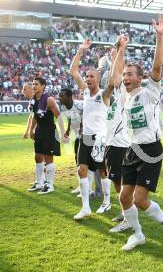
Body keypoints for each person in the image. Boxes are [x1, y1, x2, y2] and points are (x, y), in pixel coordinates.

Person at [112, 15, 163, 251]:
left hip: (151, 149)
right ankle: (138, 234)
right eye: (125, 75)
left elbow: (157, 66)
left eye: (130, 75)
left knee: (140, 199)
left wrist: (160, 35)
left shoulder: (150, 91)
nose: (125, 78)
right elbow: (115, 74)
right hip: (133, 149)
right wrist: (121, 48)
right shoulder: (124, 94)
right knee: (124, 197)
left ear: (140, 78)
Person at [70, 39, 112, 220]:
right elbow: (73, 71)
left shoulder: (104, 94)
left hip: (100, 138)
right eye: (86, 76)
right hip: (85, 137)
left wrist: (118, 53)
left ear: (98, 79)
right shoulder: (86, 92)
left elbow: (114, 80)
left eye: (91, 76)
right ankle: (85, 207)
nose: (87, 79)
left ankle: (107, 201)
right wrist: (81, 50)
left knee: (102, 171)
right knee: (82, 170)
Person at [101, 40, 132, 232]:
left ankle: (128, 218)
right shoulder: (106, 102)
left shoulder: (122, 100)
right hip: (110, 146)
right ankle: (125, 213)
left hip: (122, 147)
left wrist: (120, 52)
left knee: (123, 185)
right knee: (116, 182)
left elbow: (115, 77)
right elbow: (110, 84)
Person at [28, 77, 66, 194]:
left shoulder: (49, 99)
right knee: (38, 157)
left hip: (49, 131)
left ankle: (49, 185)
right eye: (33, 84)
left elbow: (58, 116)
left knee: (48, 158)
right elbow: (35, 116)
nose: (34, 86)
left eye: (36, 84)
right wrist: (31, 130)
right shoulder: (33, 99)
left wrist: (63, 132)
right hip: (39, 131)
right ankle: (39, 182)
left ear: (43, 86)